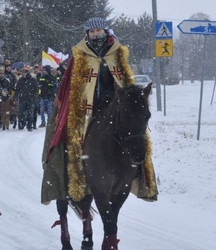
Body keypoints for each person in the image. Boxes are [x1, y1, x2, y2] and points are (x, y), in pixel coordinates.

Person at [41, 17, 153, 204]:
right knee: (66, 135)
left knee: (135, 131)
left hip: (113, 104)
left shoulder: (117, 53)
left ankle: (140, 175)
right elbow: (71, 84)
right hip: (85, 106)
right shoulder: (80, 55)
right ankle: (67, 176)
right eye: (91, 32)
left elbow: (125, 80)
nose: (95, 34)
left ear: (106, 31)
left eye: (98, 31)